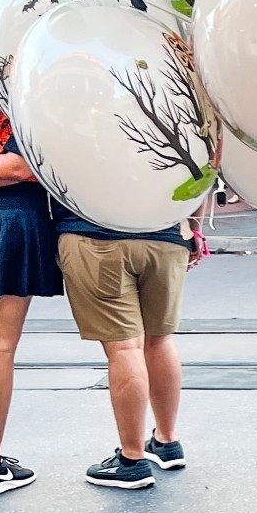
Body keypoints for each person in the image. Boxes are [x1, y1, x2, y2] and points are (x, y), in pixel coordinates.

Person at [52, 186, 199, 490]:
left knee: (125, 348)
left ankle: (132, 460)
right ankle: (167, 441)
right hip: (167, 235)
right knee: (160, 339)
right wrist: (193, 228)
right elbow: (204, 168)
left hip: (95, 234)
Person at [0, 119, 62, 496]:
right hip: (14, 219)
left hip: (13, 221)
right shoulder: (24, 99)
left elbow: (18, 167)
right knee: (1, 347)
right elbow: (23, 167)